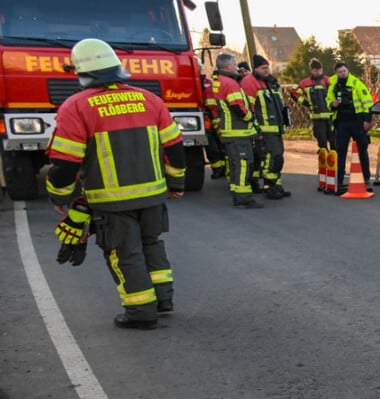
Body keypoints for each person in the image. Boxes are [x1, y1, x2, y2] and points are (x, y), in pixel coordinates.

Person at [46, 38, 186, 330]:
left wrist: (59, 197)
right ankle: (162, 300)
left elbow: (65, 164)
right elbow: (174, 147)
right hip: (153, 195)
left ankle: (140, 312)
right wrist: (176, 182)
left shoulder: (76, 106)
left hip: (111, 201)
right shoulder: (149, 99)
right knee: (152, 243)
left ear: (80, 72)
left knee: (125, 253)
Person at [210, 53, 260, 208]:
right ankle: (243, 198)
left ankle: (237, 191)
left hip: (230, 131)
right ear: (226, 66)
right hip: (238, 131)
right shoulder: (230, 83)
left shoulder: (219, 81)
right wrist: (250, 117)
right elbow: (237, 107)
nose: (236, 67)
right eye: (234, 64)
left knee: (235, 164)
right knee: (243, 164)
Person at [242, 54, 290, 199]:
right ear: (255, 68)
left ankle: (277, 185)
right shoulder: (249, 82)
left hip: (276, 128)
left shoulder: (270, 82)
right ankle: (270, 186)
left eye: (267, 68)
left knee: (278, 157)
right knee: (272, 157)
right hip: (264, 129)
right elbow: (248, 108)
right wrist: (256, 129)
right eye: (263, 68)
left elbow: (278, 105)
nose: (266, 70)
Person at [327, 62, 374, 194]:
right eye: (340, 72)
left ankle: (366, 180)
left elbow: (368, 103)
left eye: (344, 71)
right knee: (340, 151)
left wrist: (367, 120)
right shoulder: (333, 86)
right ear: (336, 73)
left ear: (348, 70)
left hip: (357, 121)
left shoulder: (356, 84)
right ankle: (340, 181)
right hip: (342, 122)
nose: (342, 73)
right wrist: (333, 104)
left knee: (362, 151)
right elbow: (328, 101)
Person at [295, 58, 332, 151]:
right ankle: (324, 162)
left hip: (331, 116)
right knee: (322, 141)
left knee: (334, 141)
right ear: (311, 70)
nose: (318, 72)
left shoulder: (329, 80)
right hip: (317, 117)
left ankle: (335, 163)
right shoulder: (305, 83)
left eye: (320, 70)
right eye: (316, 70)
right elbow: (294, 93)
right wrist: (306, 103)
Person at [202, 72, 227, 179]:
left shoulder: (208, 85)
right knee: (215, 144)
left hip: (212, 117)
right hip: (210, 118)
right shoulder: (207, 84)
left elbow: (211, 103)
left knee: (216, 144)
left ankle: (220, 168)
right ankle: (220, 168)